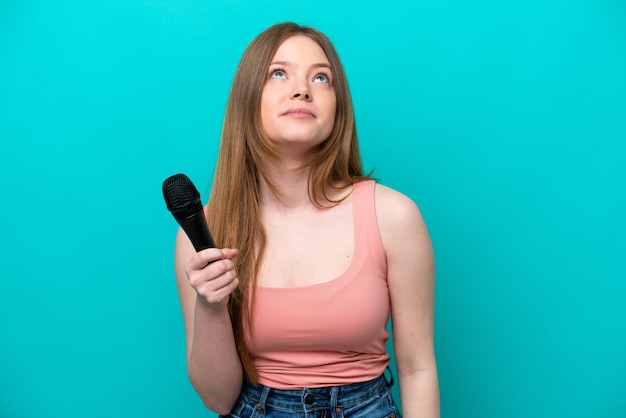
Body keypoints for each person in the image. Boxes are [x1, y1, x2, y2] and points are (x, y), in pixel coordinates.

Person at [173, 22, 439, 417]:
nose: (302, 89)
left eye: (321, 77)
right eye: (279, 73)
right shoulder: (204, 233)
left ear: (338, 107)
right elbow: (217, 399)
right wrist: (211, 307)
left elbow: (418, 370)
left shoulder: (393, 217)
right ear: (248, 96)